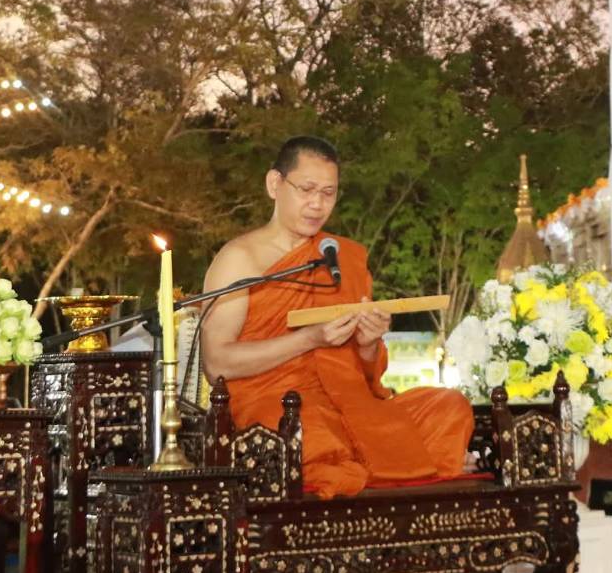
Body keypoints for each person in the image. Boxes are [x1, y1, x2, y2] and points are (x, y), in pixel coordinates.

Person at [199, 136, 473, 498]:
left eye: (328, 193)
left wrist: (368, 344)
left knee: (448, 406)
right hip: (276, 405)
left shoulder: (340, 258)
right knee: (308, 431)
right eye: (307, 189)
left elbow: (366, 378)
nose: (317, 204)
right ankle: (398, 463)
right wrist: (308, 339)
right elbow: (216, 363)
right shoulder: (240, 259)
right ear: (274, 184)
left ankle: (370, 464)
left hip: (347, 405)